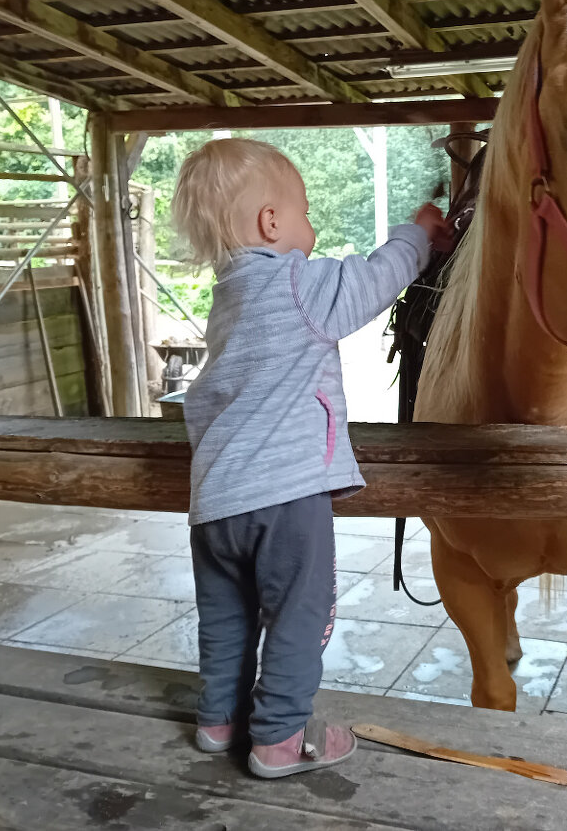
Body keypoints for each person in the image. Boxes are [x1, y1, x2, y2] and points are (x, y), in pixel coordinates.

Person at [171, 138, 449, 779]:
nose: (312, 226)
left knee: (225, 617)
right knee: (299, 616)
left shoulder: (228, 302)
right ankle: (277, 740)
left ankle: (219, 721)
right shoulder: (299, 284)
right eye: (305, 212)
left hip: (214, 506)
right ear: (271, 223)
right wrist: (418, 232)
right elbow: (376, 277)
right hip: (286, 503)